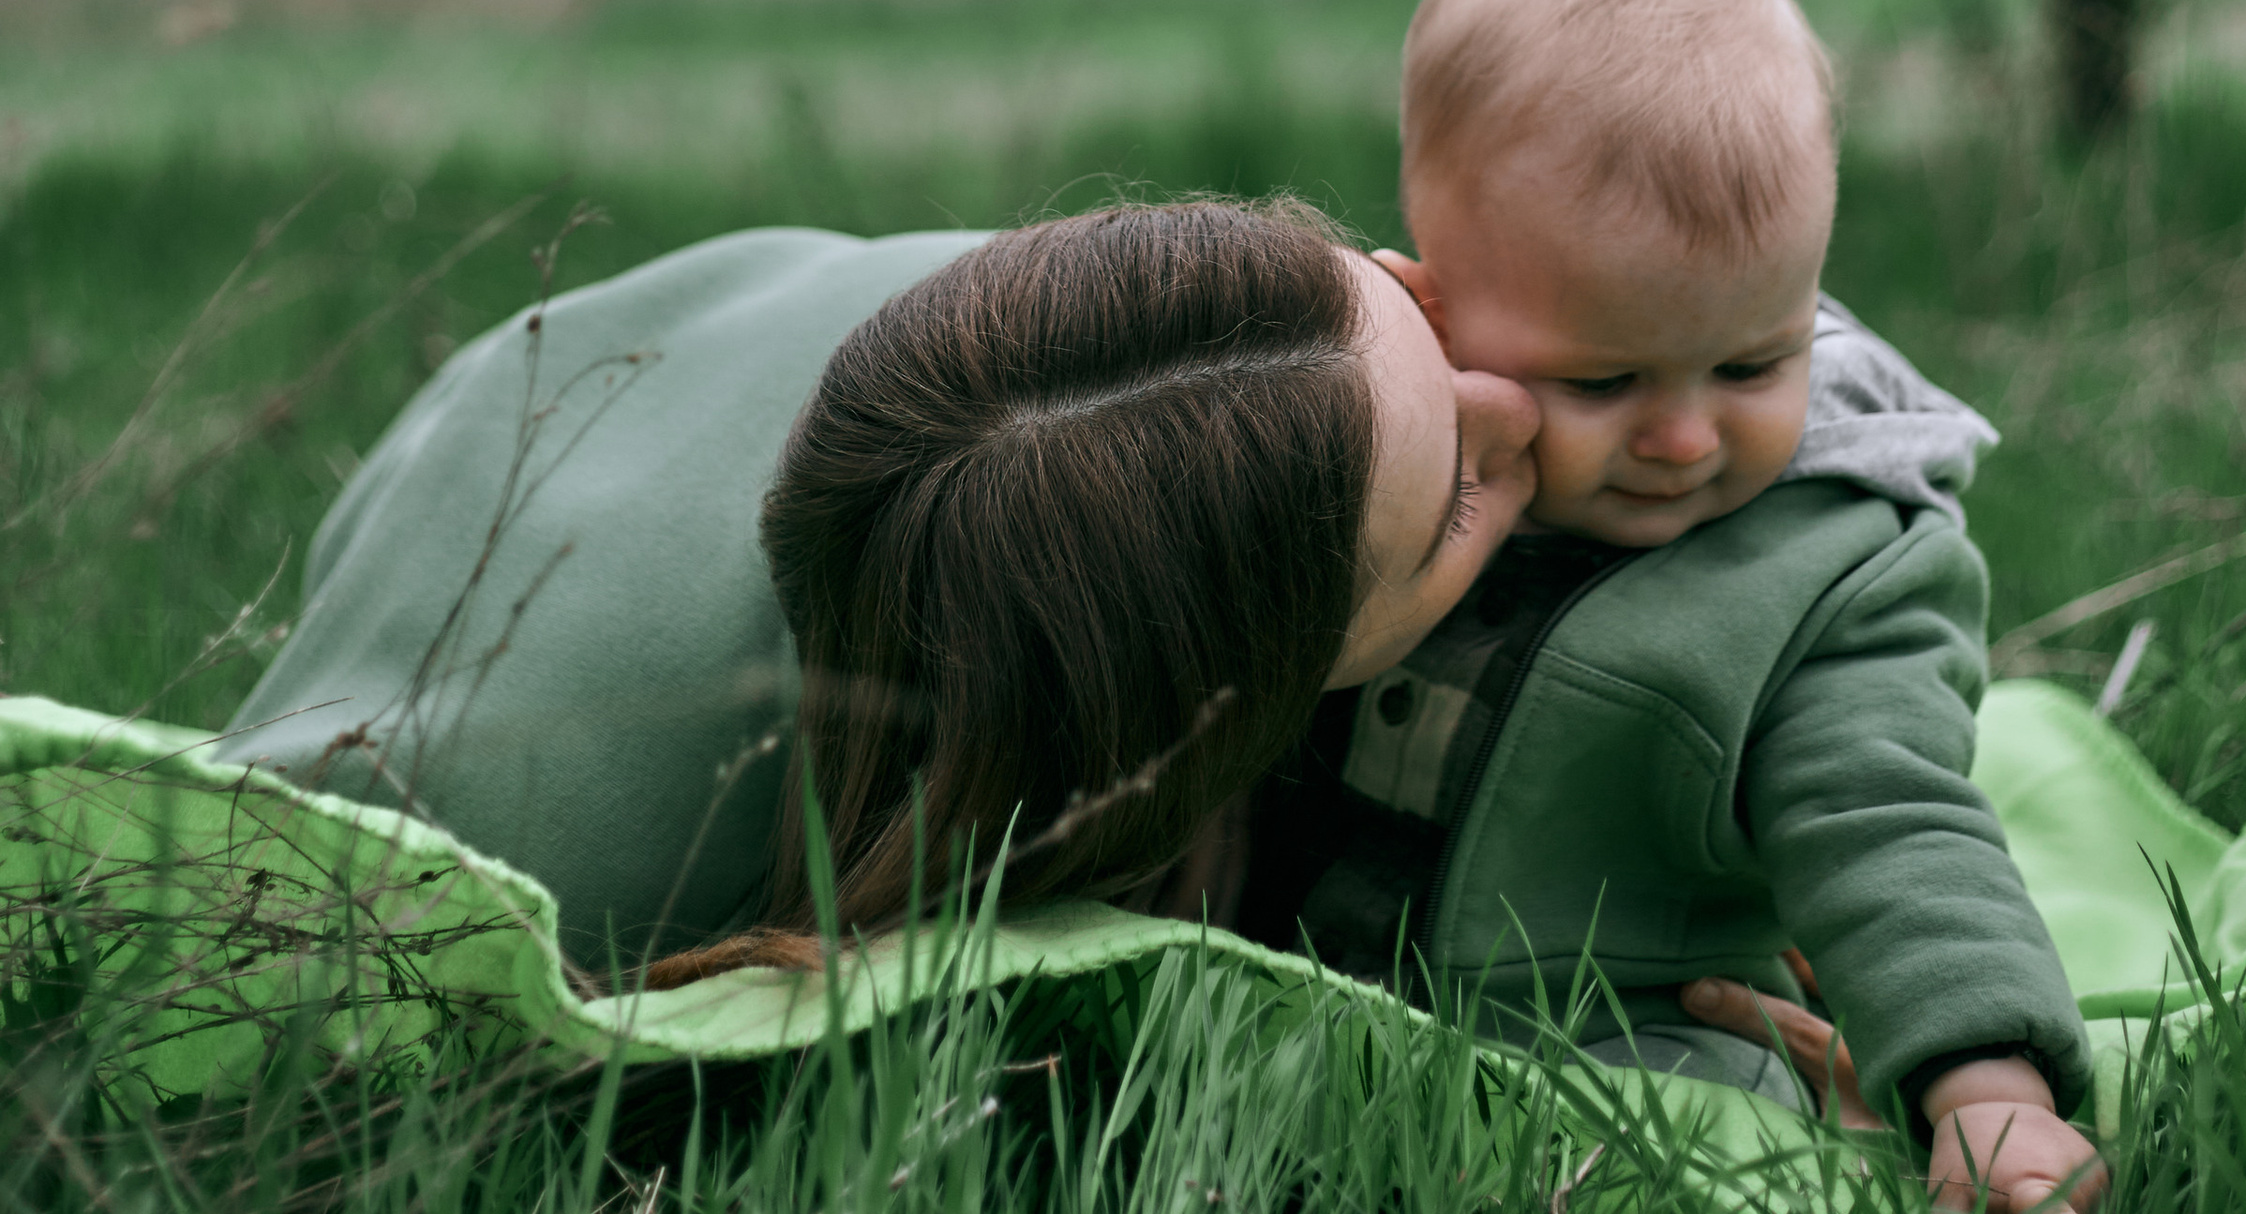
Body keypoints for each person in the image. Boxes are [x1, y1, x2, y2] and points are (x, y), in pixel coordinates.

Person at [1234, 0, 2108, 1214]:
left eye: (1756, 362)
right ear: (1434, 307)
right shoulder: (1376, 459)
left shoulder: (1832, 571)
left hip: (1622, 1026)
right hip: (1292, 970)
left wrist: (1986, 1087)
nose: (1687, 435)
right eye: (1605, 380)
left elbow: (1892, 821)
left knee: (1714, 1162)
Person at [216, 198, 1538, 979]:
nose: (1519, 408)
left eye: (1410, 305)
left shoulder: (1140, 357)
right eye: (1456, 512)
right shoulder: (544, 892)